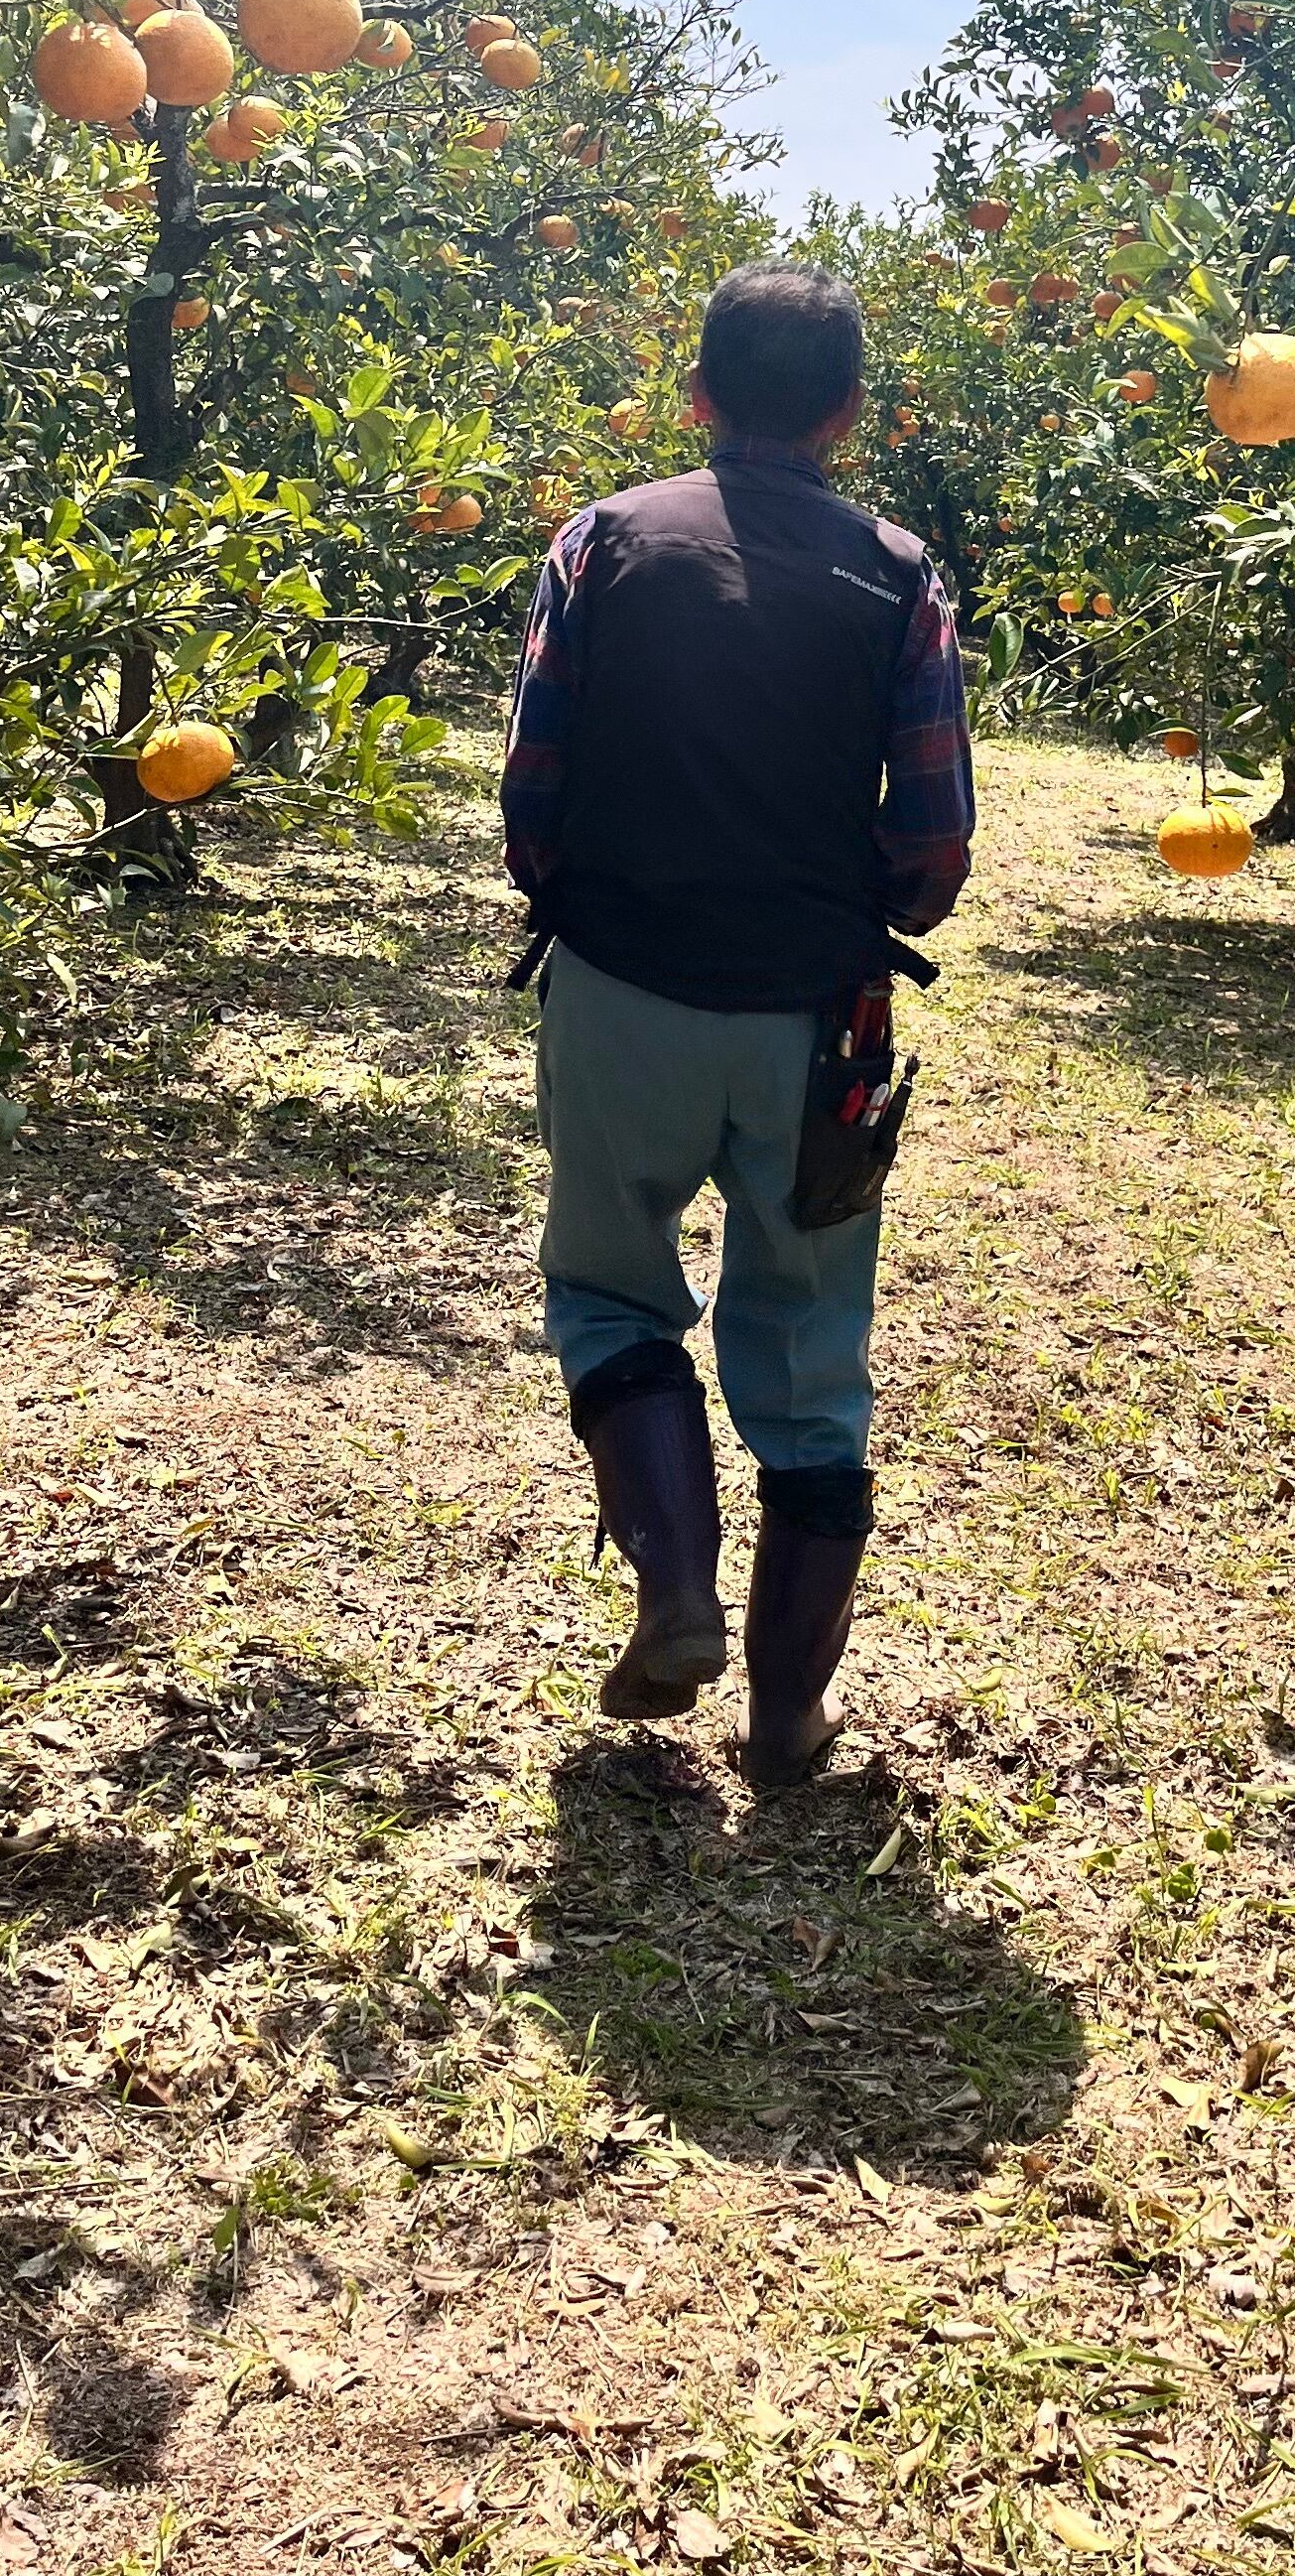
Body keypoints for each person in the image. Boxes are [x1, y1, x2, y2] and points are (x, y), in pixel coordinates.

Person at [499, 258, 973, 1781]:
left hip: (623, 991)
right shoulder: (899, 577)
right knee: (812, 1346)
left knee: (611, 1290)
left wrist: (597, 894)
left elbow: (533, 791)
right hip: (817, 1023)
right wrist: (876, 912)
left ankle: (672, 1587)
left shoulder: (604, 541)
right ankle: (786, 1713)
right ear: (846, 412)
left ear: (695, 395)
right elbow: (932, 842)